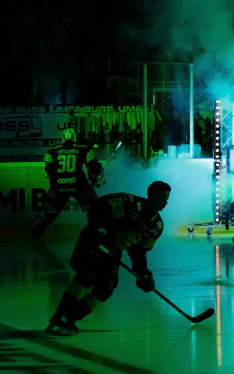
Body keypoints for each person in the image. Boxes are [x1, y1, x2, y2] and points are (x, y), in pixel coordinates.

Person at [45, 182, 171, 336]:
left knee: (106, 287)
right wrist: (100, 231)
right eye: (162, 199)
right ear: (151, 195)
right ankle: (60, 316)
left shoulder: (156, 226)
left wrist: (143, 273)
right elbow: (99, 206)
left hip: (113, 253)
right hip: (95, 242)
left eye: (167, 199)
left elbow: (138, 251)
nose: (165, 203)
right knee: (88, 275)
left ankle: (71, 318)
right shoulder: (129, 202)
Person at [31, 128, 104, 238]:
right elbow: (94, 167)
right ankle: (100, 231)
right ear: (74, 138)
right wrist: (98, 174)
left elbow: (49, 170)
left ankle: (35, 232)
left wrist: (56, 183)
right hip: (79, 185)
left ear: (62, 138)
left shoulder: (52, 149)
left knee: (49, 211)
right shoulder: (83, 148)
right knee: (95, 209)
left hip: (58, 187)